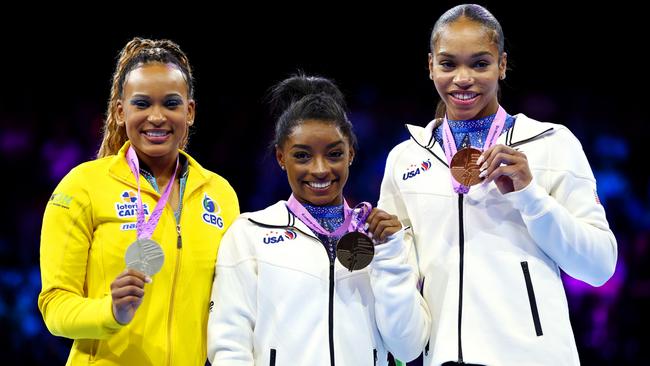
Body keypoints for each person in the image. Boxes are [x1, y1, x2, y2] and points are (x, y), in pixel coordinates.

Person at [377, 4, 618, 365]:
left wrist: (530, 197)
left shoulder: (551, 143)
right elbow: (401, 277)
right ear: (430, 67)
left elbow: (599, 266)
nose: (462, 78)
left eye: (479, 63)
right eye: (448, 64)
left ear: (502, 65)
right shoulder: (405, 160)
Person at [38, 37, 239, 365]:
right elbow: (55, 306)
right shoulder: (83, 186)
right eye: (142, 104)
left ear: (189, 112)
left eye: (171, 104)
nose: (157, 117)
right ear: (120, 111)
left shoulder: (220, 196)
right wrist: (111, 311)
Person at [207, 73, 430, 365]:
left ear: (351, 152)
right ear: (280, 157)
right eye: (302, 156)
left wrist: (389, 255)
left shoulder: (379, 235)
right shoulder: (250, 234)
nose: (320, 169)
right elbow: (229, 347)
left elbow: (408, 347)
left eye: (334, 154)